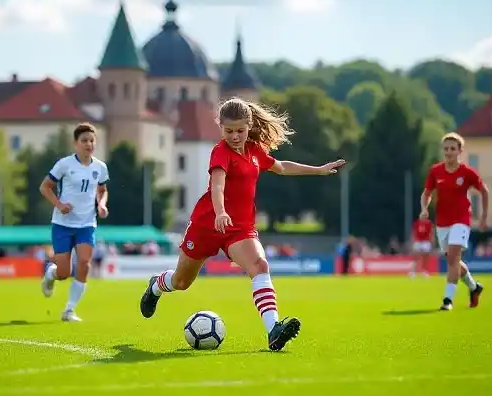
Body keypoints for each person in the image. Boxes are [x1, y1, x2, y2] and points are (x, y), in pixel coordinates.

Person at [138, 98, 346, 351]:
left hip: (240, 228)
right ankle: (156, 285)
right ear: (220, 128)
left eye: (240, 130)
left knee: (259, 265)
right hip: (208, 224)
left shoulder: (254, 150)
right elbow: (217, 185)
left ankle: (273, 330)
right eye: (229, 131)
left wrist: (319, 170)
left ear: (248, 126)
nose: (235, 136)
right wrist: (221, 212)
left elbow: (281, 167)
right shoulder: (220, 152)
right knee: (181, 282)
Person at [39, 123, 109, 322]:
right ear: (75, 144)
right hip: (62, 224)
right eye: (84, 140)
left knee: (85, 264)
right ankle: (51, 275)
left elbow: (102, 190)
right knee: (64, 272)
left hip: (87, 224)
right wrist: (59, 204)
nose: (89, 144)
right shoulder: (65, 165)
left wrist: (101, 204)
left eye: (92, 140)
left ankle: (69, 310)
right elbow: (45, 187)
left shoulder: (100, 167)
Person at [420, 132, 487, 311]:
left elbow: (484, 191)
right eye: (446, 149)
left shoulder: (467, 172)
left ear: (460, 151)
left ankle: (447, 300)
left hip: (462, 220)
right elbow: (426, 193)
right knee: (453, 262)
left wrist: (483, 217)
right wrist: (424, 209)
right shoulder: (436, 171)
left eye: (452, 149)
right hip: (442, 223)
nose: (449, 152)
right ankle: (474, 287)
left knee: (453, 260)